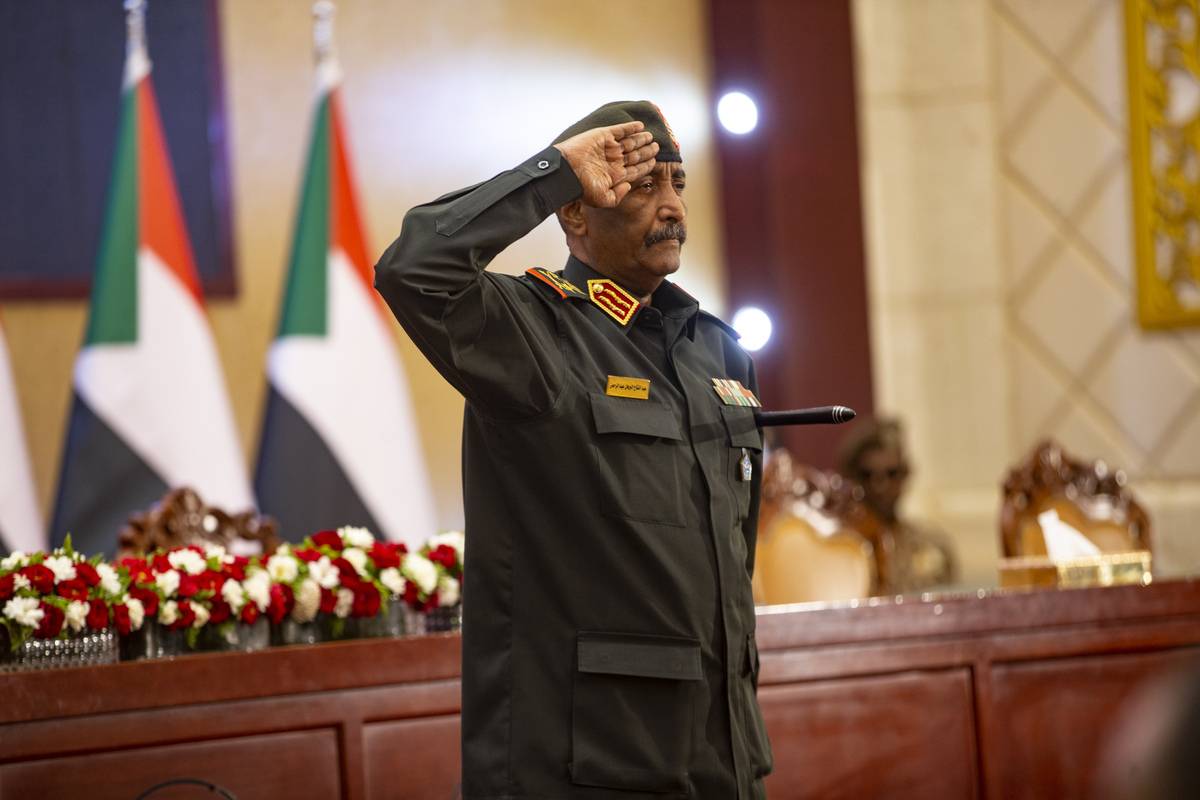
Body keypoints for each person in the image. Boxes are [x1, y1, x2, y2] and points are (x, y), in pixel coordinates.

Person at [374, 101, 772, 798]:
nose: (672, 206)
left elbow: (733, 553)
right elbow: (413, 269)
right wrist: (554, 174)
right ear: (576, 216)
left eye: (678, 183)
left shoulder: (720, 352)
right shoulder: (533, 333)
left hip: (723, 756)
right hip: (592, 764)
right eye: (644, 187)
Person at [836, 417, 956, 594]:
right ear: (853, 478)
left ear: (905, 475)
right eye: (867, 475)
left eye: (891, 474)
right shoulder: (841, 549)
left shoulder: (933, 545)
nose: (880, 486)